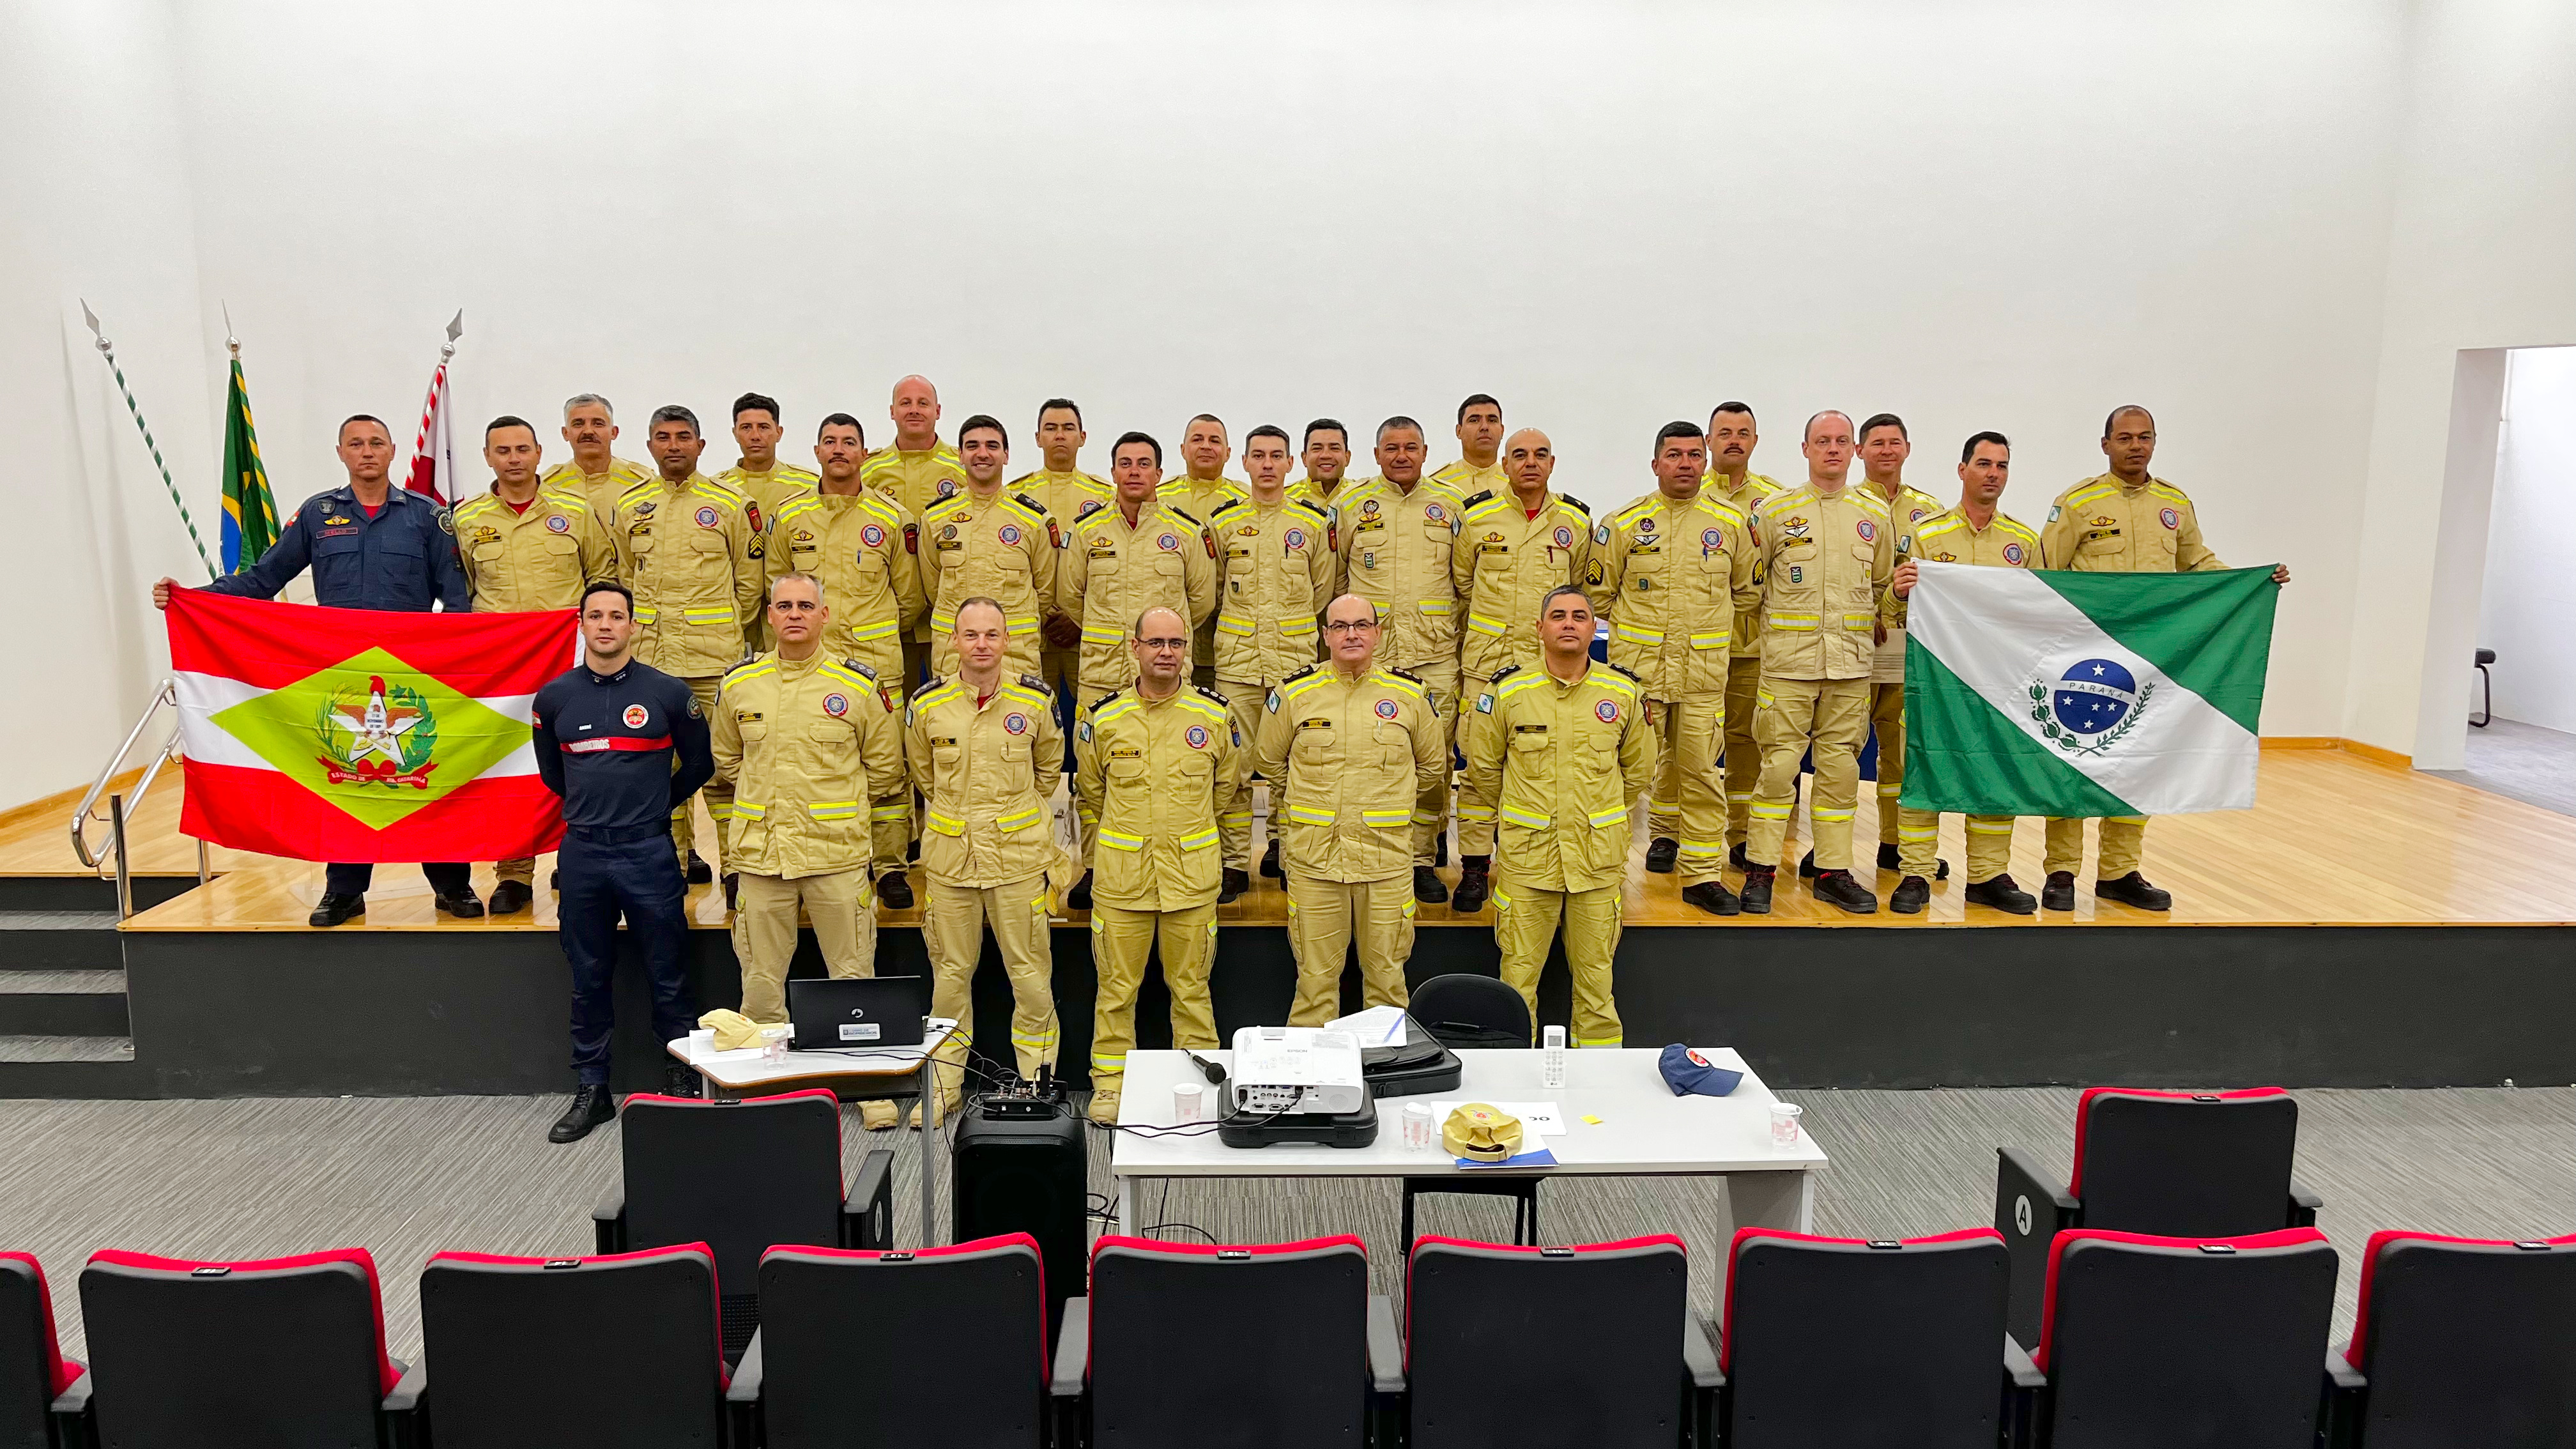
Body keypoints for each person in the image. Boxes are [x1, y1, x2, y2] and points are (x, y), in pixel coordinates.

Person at [155, 415, 477, 926]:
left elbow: (456, 600)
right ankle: (344, 892)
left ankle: (453, 885)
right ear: (341, 452)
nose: (367, 452)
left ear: (394, 451)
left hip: (412, 676)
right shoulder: (317, 514)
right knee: (348, 784)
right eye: (356, 444)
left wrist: (452, 667)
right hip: (341, 677)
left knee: (421, 775)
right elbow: (263, 579)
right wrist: (193, 599)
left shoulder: (426, 516)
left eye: (376, 443)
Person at [2035, 406, 2290, 911]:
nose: (2136, 446)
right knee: (2073, 760)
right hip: (2088, 658)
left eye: (2145, 437)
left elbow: (2196, 563)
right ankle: (2061, 872)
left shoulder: (2175, 503)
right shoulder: (2077, 503)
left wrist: (2250, 583)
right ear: (2104, 444)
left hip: (2151, 659)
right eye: (2124, 438)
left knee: (2137, 762)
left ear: (2155, 442)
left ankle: (2120, 872)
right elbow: (2047, 572)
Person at [712, 572, 908, 1127]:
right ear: (769, 616)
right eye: (784, 605)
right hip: (763, 859)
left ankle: (867, 1090)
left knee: (853, 980)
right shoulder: (738, 687)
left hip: (836, 857)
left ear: (825, 615)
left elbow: (886, 770)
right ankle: (767, 1091)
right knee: (761, 983)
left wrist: (832, 809)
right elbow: (727, 762)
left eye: (806, 605)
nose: (794, 614)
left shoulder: (857, 686)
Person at [530, 580, 714, 1142]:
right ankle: (592, 1089)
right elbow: (552, 776)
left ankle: (681, 1079)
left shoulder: (667, 693)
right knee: (588, 977)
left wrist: (655, 807)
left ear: (634, 625)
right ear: (581, 625)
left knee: (668, 971)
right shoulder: (554, 698)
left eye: (617, 616)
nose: (606, 625)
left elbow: (701, 764)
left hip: (649, 851)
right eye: (596, 616)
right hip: (584, 852)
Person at [1462, 586, 1652, 1047]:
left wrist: (1595, 818)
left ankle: (1600, 1087)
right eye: (1559, 615)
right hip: (1530, 864)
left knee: (1597, 986)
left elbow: (1639, 770)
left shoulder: (1623, 692)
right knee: (1516, 983)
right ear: (1540, 628)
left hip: (1596, 864)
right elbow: (1484, 771)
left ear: (1594, 628)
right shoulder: (1507, 691)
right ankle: (1516, 1088)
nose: (1569, 623)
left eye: (1580, 616)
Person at [1073, 606, 1241, 1124]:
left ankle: (1197, 1082)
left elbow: (1226, 792)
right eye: (1156, 642)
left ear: (1186, 651)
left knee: (1192, 990)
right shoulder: (1102, 719)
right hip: (1123, 883)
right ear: (1136, 647)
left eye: (1176, 643)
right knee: (1116, 991)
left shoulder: (1214, 717)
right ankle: (1110, 1086)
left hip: (1190, 882)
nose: (1166, 652)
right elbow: (1091, 796)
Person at [1588, 421, 1761, 915]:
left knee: (1703, 775)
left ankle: (1703, 875)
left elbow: (1748, 593)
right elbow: (1600, 596)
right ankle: (1603, 876)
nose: (1685, 463)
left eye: (1693, 455)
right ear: (1655, 464)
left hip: (1703, 680)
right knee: (1620, 778)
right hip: (1636, 680)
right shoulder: (1622, 523)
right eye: (1674, 455)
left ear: (1705, 462)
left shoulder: (1730, 524)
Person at [1253, 595, 1448, 1027]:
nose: (1352, 634)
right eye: (1340, 627)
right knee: (1315, 985)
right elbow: (1268, 761)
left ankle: (1388, 1084)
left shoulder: (1410, 695)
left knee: (1387, 984)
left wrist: (1388, 802)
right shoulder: (1294, 694)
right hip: (1315, 863)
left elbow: (1433, 767)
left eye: (1362, 625)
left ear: (1378, 633)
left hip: (1386, 862)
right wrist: (1312, 801)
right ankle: (1308, 1088)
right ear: (1326, 637)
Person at [907, 597, 1066, 1121]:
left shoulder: (1035, 702)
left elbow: (1048, 773)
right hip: (953, 862)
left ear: (1007, 641)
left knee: (1030, 978)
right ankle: (945, 1087)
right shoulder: (927, 705)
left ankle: (1035, 1083)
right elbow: (923, 775)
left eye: (991, 635)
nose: (981, 645)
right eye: (970, 634)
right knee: (950, 980)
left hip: (1018, 861)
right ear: (954, 640)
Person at [450, 414, 615, 914]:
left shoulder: (577, 512)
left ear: (540, 452)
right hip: (500, 670)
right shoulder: (466, 519)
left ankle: (579, 861)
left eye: (522, 449)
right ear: (488, 458)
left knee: (582, 761)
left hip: (566, 662)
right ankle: (514, 874)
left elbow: (603, 576)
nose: (514, 459)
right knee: (510, 770)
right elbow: (460, 591)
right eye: (503, 451)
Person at [768, 411, 926, 907]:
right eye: (829, 442)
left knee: (888, 768)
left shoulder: (891, 518)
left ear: (864, 453)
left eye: (849, 442)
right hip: (810, 667)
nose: (839, 450)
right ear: (815, 452)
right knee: (816, 760)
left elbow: (910, 596)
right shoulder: (790, 517)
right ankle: (827, 859)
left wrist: (867, 632)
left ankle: (892, 867)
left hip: (877, 664)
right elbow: (776, 587)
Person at [1883, 433, 2044, 915]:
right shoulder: (1927, 537)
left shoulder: (2025, 542)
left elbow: (2043, 615)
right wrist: (1898, 591)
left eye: (2002, 466)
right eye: (1984, 464)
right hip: (1936, 681)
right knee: (1925, 772)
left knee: (1995, 776)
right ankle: (1915, 871)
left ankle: (1989, 876)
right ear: (1962, 470)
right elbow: (1891, 612)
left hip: (2002, 684)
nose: (1993, 473)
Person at [1740, 411, 1895, 915]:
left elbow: (1880, 586)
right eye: (1822, 441)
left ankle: (1831, 869)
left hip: (1850, 667)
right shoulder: (1776, 512)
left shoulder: (1875, 515)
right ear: (1805, 449)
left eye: (1841, 441)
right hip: (1788, 665)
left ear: (1854, 451)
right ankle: (1761, 869)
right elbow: (1750, 585)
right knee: (1777, 770)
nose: (1833, 449)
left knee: (1840, 773)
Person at [1056, 431, 1217, 904]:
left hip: (1167, 675)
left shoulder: (1185, 532)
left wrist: (1161, 643)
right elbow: (1070, 597)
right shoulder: (1088, 532)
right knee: (1094, 776)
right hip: (1102, 671)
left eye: (1144, 464)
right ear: (1113, 473)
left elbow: (1201, 601)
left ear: (1159, 474)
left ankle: (1174, 869)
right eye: (1125, 463)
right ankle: (1094, 867)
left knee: (1171, 772)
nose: (1134, 472)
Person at [610, 405, 763, 897]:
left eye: (683, 437)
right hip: (652, 663)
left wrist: (720, 632)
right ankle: (669, 866)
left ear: (701, 445)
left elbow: (749, 583)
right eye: (662, 437)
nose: (673, 445)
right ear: (650, 445)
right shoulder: (631, 506)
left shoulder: (731, 504)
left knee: (725, 771)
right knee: (660, 770)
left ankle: (737, 867)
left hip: (714, 662)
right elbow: (621, 579)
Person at [1447, 427, 1595, 913]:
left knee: (1541, 763)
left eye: (1540, 455)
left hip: (1546, 665)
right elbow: (1463, 584)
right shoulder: (1476, 516)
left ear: (1553, 463)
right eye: (1520, 455)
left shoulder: (1575, 521)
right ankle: (1473, 865)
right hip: (1486, 661)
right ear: (1504, 465)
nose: (1530, 463)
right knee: (1478, 767)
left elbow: (1578, 595)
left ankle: (1529, 863)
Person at [1334, 417, 1467, 903]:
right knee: (1374, 756)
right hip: (1373, 661)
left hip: (1433, 657)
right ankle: (1376, 853)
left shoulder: (1451, 505)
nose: (1402, 456)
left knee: (1433, 763)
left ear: (1426, 451)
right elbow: (1333, 584)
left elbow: (1466, 582)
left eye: (1411, 447)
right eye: (1392, 447)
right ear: (1376, 454)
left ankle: (1420, 857)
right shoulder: (1350, 506)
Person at [1207, 425, 1336, 885]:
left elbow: (1323, 591)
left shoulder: (1313, 524)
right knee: (1235, 769)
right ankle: (1235, 863)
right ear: (1243, 463)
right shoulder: (1223, 524)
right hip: (1239, 664)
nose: (1266, 464)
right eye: (1257, 455)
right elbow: (1212, 590)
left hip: (1294, 663)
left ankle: (1287, 855)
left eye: (1275, 456)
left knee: (1295, 766)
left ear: (1290, 464)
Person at [1849, 413, 1951, 880]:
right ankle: (1831, 854)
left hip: (1909, 645)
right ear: (1859, 452)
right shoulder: (1843, 503)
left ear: (1907, 449)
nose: (1886, 451)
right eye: (1876, 443)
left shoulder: (1931, 511)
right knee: (1842, 748)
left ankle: (1895, 843)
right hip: (1851, 640)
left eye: (1894, 443)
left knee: (1901, 748)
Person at [917, 415, 1058, 685]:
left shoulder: (1032, 519)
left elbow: (1046, 590)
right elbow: (931, 586)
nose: (982, 454)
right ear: (960, 455)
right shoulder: (936, 518)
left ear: (1006, 455)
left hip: (1016, 655)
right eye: (972, 446)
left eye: (992, 446)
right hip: (954, 656)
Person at [1706, 401, 1786, 869]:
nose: (1734, 439)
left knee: (1745, 744)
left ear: (1755, 441)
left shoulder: (1776, 503)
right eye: (1724, 432)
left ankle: (1740, 834)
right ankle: (1668, 835)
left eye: (1743, 432)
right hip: (1691, 649)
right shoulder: (1684, 492)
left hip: (1752, 647)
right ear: (1709, 440)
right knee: (1683, 746)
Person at [1012, 398, 1114, 740]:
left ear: (1082, 437)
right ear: (1037, 437)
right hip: (1030, 633)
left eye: (1068, 428)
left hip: (1085, 633)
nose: (1060, 435)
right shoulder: (1014, 495)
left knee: (1093, 721)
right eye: (1051, 428)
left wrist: (1079, 618)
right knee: (1025, 720)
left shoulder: (1105, 498)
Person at [863, 374, 969, 693]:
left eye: (923, 403)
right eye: (905, 403)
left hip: (952, 619)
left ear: (938, 411)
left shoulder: (963, 466)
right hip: (890, 623)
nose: (914, 410)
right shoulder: (869, 471)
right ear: (892, 411)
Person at [717, 392, 818, 652]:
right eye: (746, 428)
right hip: (738, 611)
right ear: (735, 433)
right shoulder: (719, 490)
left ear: (779, 432)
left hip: (794, 610)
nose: (755, 436)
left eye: (764, 427)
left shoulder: (807, 485)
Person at [1159, 414, 1248, 688]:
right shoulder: (1158, 498)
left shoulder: (1245, 501)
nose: (1206, 446)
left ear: (1229, 452)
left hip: (1225, 642)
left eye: (1215, 441)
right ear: (1183, 449)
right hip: (1163, 642)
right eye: (1197, 439)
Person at [542, 394, 655, 519]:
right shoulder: (546, 487)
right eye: (578, 424)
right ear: (566, 433)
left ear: (614, 432)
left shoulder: (643, 482)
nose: (588, 431)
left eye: (598, 424)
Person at [1430, 393, 1508, 495]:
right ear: (1459, 431)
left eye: (1492, 420)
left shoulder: (1516, 482)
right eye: (1474, 420)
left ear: (1502, 431)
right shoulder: (1437, 485)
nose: (1484, 427)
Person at [1288, 418, 1355, 510]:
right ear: (1304, 458)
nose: (1326, 455)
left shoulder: (1363, 496)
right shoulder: (1286, 499)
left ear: (1347, 458)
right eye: (1317, 448)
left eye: (1334, 448)